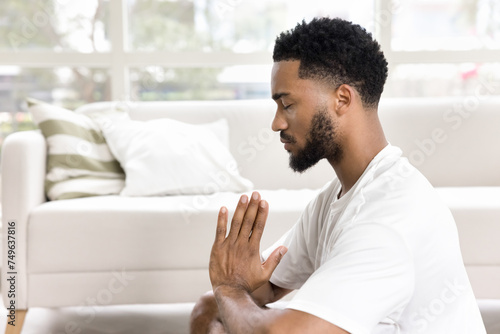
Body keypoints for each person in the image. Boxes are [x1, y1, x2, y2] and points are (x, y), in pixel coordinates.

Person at [190, 17, 487, 333]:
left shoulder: (386, 218)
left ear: (342, 99)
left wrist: (229, 289)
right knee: (209, 310)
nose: (276, 123)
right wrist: (235, 287)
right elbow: (259, 290)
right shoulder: (337, 199)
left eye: (287, 104)